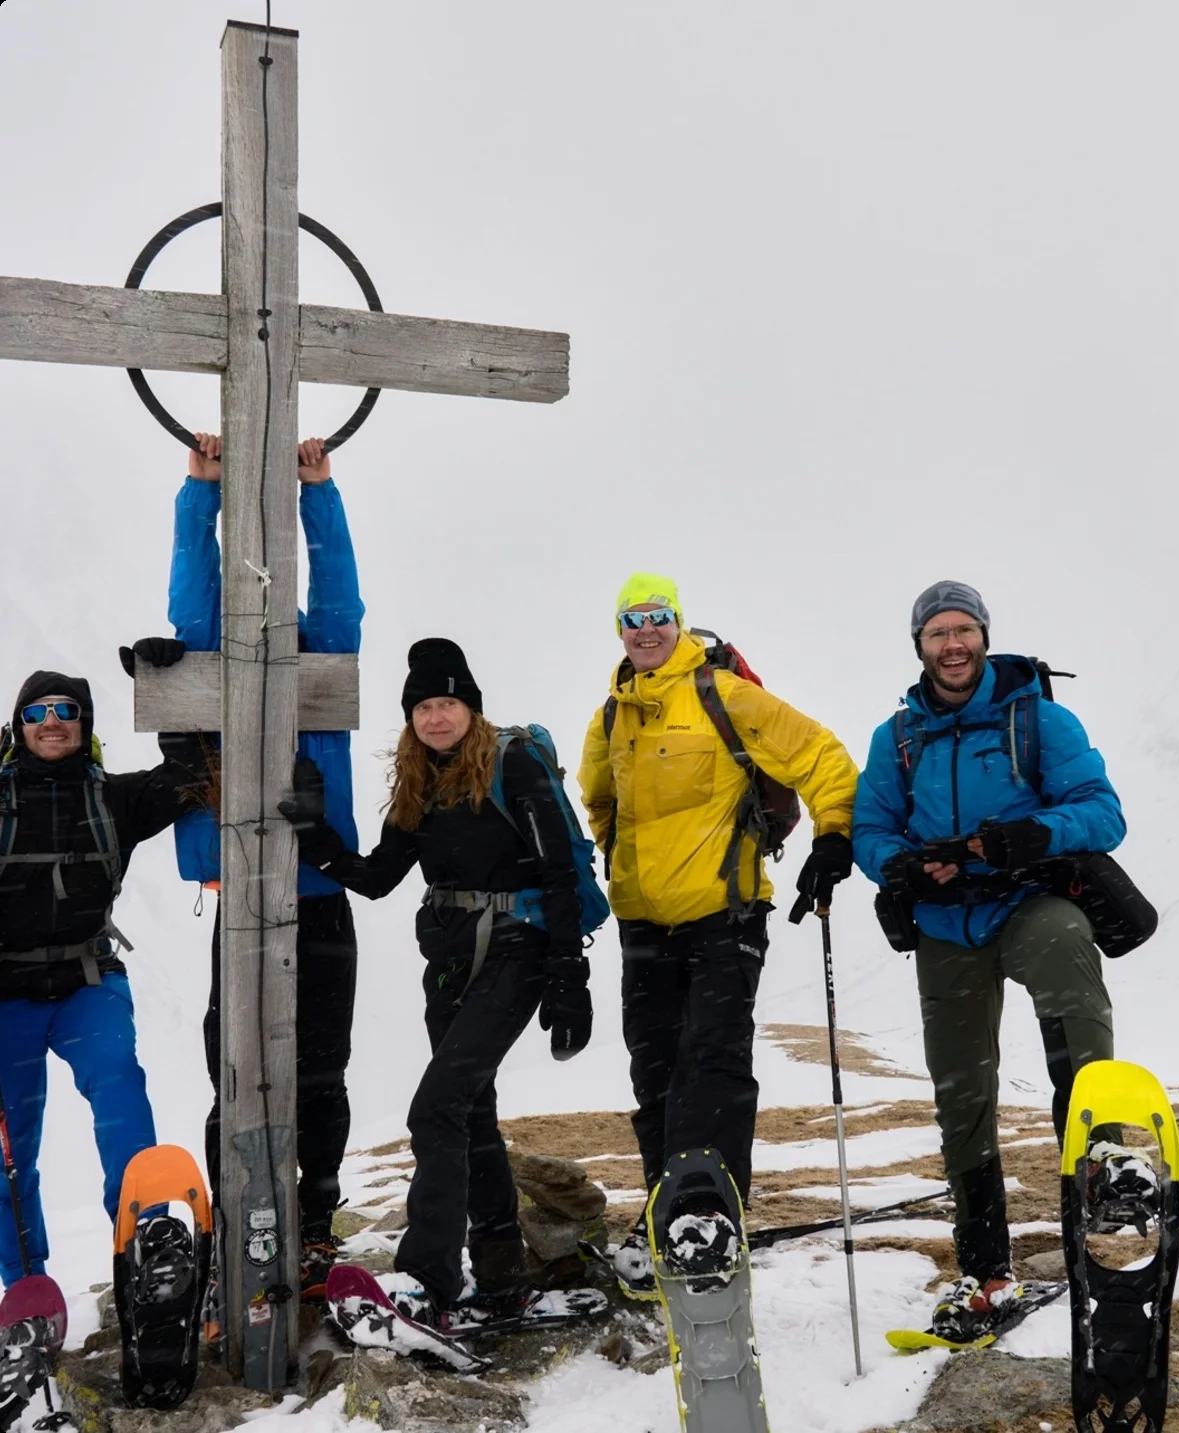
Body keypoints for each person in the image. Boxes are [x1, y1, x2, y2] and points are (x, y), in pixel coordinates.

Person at [853, 579, 1156, 1342]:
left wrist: (1034, 836)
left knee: (1066, 953)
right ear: (919, 645)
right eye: (937, 633)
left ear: (985, 636)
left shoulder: (1039, 719)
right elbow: (870, 828)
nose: (952, 644)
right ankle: (986, 1271)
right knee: (960, 1094)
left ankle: (1104, 1160)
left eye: (964, 630)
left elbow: (1103, 811)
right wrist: (903, 866)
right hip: (944, 923)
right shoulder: (898, 738)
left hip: (1027, 899)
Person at [278, 638, 591, 1322]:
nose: (436, 717)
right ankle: (502, 1273)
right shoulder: (419, 781)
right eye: (423, 707)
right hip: (450, 961)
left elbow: (560, 873)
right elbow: (378, 877)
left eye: (448, 703)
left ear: (470, 708)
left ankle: (427, 1280)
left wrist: (571, 975)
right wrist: (314, 832)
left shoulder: (512, 763)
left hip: (518, 950)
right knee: (469, 1110)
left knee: (435, 1109)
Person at [577, 572, 859, 1297]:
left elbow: (820, 754)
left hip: (724, 914)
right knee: (655, 1073)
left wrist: (834, 834)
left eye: (659, 615)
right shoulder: (610, 716)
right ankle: (665, 1215)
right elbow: (599, 800)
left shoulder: (722, 694)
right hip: (642, 921)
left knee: (713, 1058)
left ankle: (709, 1214)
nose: (647, 629)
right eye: (633, 618)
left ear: (679, 622)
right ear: (619, 630)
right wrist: (623, 862)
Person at [156, 431, 364, 1300]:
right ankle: (235, 1225)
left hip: (319, 894)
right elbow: (192, 604)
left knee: (321, 1072)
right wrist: (200, 491)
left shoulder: (322, 660)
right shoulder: (221, 660)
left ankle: (313, 1221)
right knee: (234, 1073)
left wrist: (320, 493)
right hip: (245, 894)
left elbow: (340, 595)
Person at [0, 672, 201, 1286]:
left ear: (84, 724)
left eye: (66, 710)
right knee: (10, 1150)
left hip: (87, 981)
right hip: (6, 994)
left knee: (119, 1087)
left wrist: (169, 682)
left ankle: (149, 1243)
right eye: (36, 712)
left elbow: (195, 771)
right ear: (18, 727)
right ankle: (26, 1284)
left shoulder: (113, 798)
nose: (51, 722)